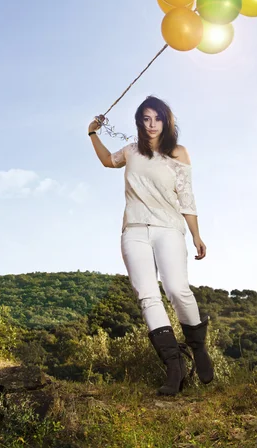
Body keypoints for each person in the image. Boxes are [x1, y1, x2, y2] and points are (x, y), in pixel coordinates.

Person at [88, 96, 213, 395]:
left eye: (156, 118)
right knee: (147, 296)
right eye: (145, 119)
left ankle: (198, 348)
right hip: (133, 231)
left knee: (176, 289)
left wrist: (196, 235)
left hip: (168, 228)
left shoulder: (178, 153)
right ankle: (174, 368)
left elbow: (187, 197)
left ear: (166, 120)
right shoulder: (131, 151)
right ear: (140, 123)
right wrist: (92, 133)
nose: (151, 124)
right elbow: (108, 161)